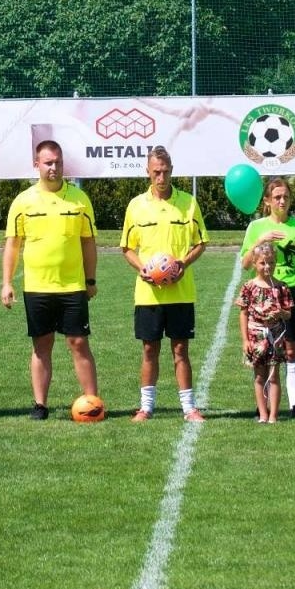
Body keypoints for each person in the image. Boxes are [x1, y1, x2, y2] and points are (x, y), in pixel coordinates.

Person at [0, 140, 100, 420]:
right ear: (37, 165)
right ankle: (40, 405)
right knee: (41, 344)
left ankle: (93, 403)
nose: (54, 167)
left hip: (72, 286)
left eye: (57, 162)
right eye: (48, 162)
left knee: (79, 343)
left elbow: (89, 243)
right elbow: (12, 245)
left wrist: (90, 279)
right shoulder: (23, 201)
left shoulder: (79, 200)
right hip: (37, 287)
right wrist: (7, 282)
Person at [121, 147, 208, 422]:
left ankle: (189, 408)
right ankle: (146, 407)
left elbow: (201, 242)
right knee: (150, 350)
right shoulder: (136, 206)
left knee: (181, 349)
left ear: (172, 170)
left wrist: (183, 263)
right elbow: (127, 248)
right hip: (149, 294)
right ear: (148, 171)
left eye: (166, 171)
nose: (161, 177)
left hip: (181, 292)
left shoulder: (189, 203)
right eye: (156, 172)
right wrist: (143, 269)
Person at [240, 177, 295, 417]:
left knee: (293, 351)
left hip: (292, 292)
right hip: (263, 294)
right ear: (266, 201)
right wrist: (259, 242)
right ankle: (263, 407)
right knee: (263, 353)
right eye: (277, 197)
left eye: (285, 196)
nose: (282, 201)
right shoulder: (256, 227)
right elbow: (245, 264)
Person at [237, 241, 293, 424]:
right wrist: (245, 340)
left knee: (274, 375)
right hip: (256, 335)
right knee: (259, 375)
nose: (267, 266)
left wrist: (281, 313)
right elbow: (243, 312)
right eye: (262, 263)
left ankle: (274, 415)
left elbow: (288, 314)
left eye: (270, 262)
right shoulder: (249, 286)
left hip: (276, 336)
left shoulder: (281, 287)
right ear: (255, 264)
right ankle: (262, 413)